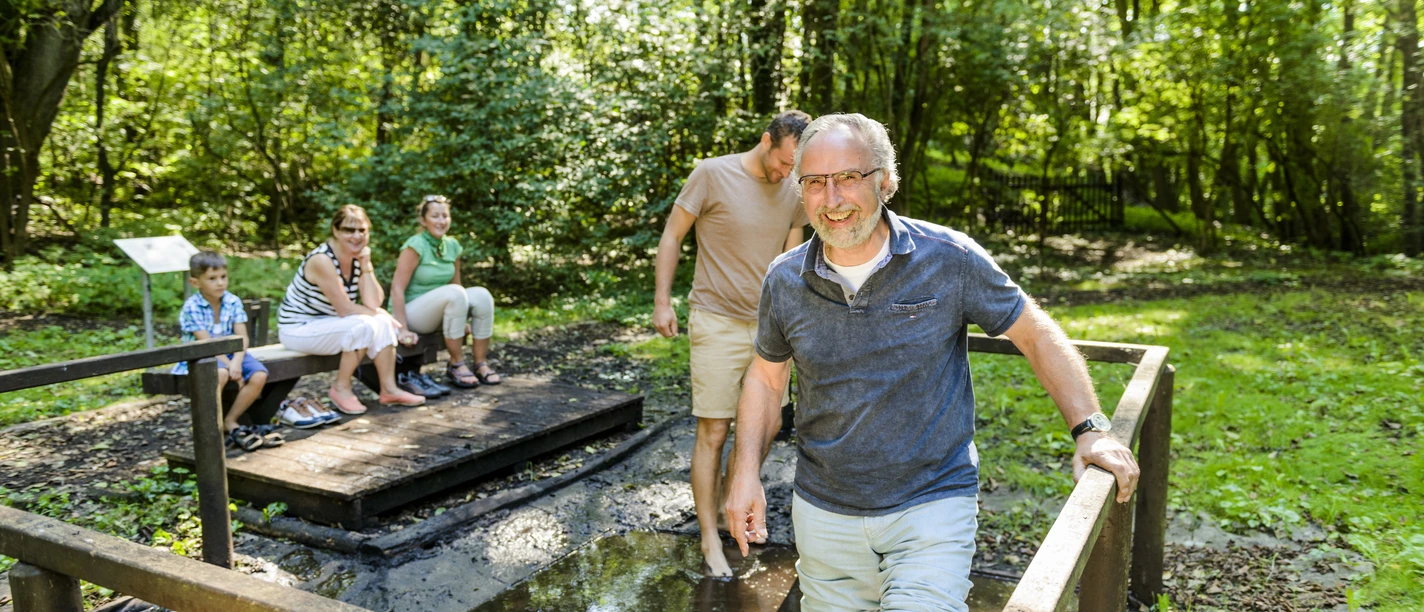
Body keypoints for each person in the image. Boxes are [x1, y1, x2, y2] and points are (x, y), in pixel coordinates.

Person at [723, 113, 1141, 611]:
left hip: (931, 501)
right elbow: (768, 381)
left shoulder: (949, 258)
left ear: (885, 180)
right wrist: (745, 472)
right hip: (823, 509)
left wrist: (1091, 428)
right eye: (815, 182)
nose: (832, 200)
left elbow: (1036, 335)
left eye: (849, 178)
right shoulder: (785, 279)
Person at [652, 110, 813, 577]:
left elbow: (793, 254)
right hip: (716, 321)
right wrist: (663, 302)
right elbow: (672, 235)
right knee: (715, 432)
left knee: (760, 431)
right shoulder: (711, 173)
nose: (787, 174)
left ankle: (728, 505)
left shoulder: (793, 187)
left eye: (795, 167)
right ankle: (707, 540)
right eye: (784, 162)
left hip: (770, 328)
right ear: (766, 141)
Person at [276, 205, 426, 415]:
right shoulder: (322, 260)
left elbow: (373, 303)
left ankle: (389, 390)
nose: (357, 236)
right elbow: (345, 309)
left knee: (380, 322)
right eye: (349, 230)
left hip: (328, 323)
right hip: (298, 329)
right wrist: (378, 313)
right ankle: (341, 388)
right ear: (336, 231)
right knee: (364, 324)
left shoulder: (356, 258)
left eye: (362, 230)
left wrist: (366, 265)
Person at [174, 250, 285, 450]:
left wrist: (236, 362)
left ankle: (230, 420)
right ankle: (210, 426)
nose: (220, 283)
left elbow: (242, 337)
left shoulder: (232, 302)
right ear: (195, 282)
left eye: (223, 277)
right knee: (220, 373)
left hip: (235, 354)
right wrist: (231, 366)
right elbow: (206, 344)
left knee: (259, 374)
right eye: (212, 278)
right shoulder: (191, 307)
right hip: (201, 356)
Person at [389, 194, 501, 390]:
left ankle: (480, 362)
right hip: (412, 314)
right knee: (455, 293)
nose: (441, 221)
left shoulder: (452, 245)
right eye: (435, 216)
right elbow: (397, 288)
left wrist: (463, 320)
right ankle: (456, 364)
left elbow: (456, 284)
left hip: (442, 310)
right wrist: (402, 328)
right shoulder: (415, 245)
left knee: (482, 295)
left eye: (445, 216)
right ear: (423, 220)